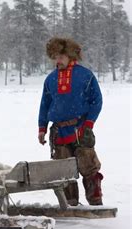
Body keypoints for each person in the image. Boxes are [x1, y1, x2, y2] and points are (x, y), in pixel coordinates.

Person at [38, 37, 103, 206]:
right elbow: (44, 105)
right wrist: (42, 128)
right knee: (63, 171)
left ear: (70, 56)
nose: (57, 61)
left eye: (60, 57)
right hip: (59, 131)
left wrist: (88, 124)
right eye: (54, 57)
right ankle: (70, 206)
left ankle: (96, 204)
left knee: (88, 168)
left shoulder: (85, 75)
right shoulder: (50, 79)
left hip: (81, 128)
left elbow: (97, 101)